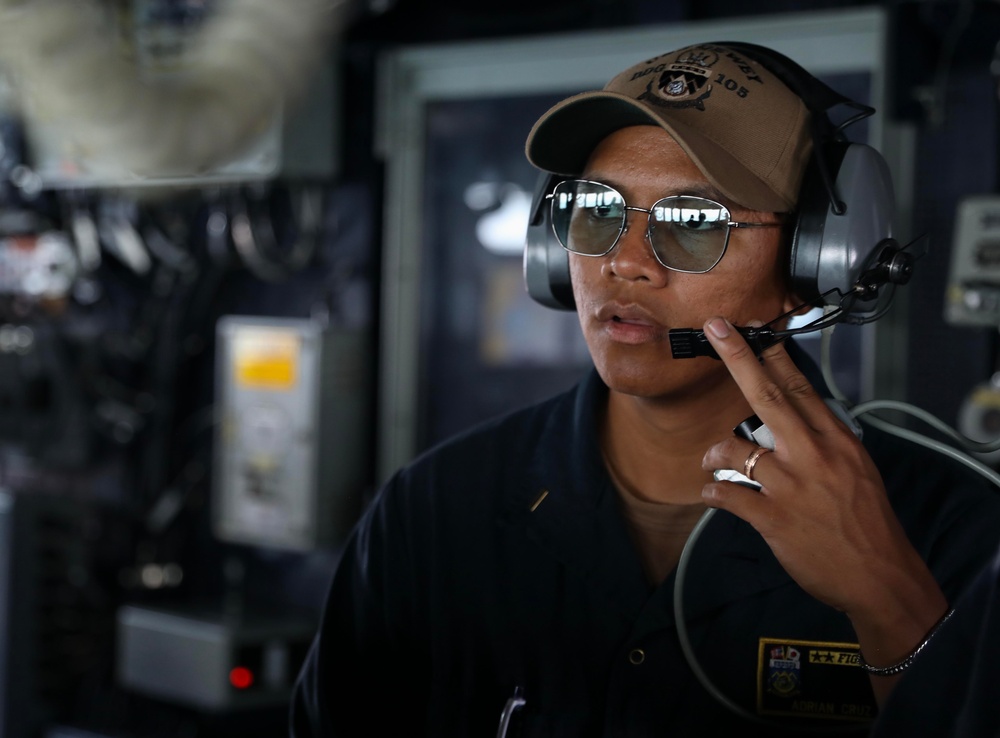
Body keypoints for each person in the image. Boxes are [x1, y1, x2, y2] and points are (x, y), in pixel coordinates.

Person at [290, 41, 1000, 736]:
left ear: (818, 262)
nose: (625, 263)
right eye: (597, 210)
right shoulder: (436, 509)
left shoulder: (953, 529)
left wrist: (889, 602)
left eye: (695, 222)